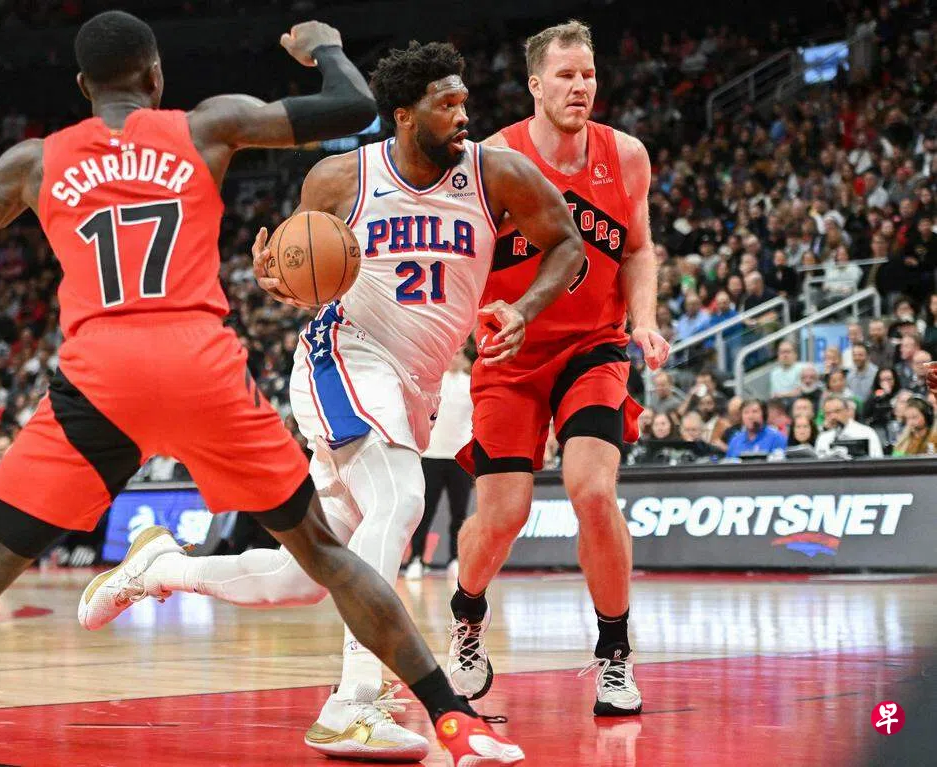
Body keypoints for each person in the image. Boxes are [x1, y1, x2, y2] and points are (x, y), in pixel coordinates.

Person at [0, 14, 522, 767]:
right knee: (328, 556)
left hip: (97, 384)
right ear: (156, 76)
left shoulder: (31, 163)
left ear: (83, 86)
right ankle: (453, 719)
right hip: (202, 374)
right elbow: (353, 108)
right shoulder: (207, 127)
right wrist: (325, 48)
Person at [78, 38, 585, 761]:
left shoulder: (496, 172)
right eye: (447, 104)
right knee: (401, 499)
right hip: (344, 357)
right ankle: (354, 702)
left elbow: (566, 245)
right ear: (404, 115)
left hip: (412, 388)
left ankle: (157, 568)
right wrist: (278, 279)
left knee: (300, 577)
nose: (463, 115)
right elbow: (301, 272)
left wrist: (525, 308)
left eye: (464, 101)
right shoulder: (342, 176)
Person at [450, 20, 670, 716]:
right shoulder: (491, 159)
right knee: (502, 515)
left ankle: (614, 652)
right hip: (511, 353)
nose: (580, 87)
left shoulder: (625, 155)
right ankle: (467, 614)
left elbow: (638, 249)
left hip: (593, 347)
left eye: (589, 75)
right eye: (566, 75)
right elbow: (459, 259)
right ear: (535, 85)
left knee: (593, 491)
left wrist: (644, 321)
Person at [406, 349, 475, 581]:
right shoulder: (433, 383)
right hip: (432, 456)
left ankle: (455, 559)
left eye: (459, 353)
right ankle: (416, 559)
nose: (455, 357)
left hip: (459, 459)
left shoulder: (470, 384)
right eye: (452, 353)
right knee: (425, 512)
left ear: (463, 356)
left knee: (459, 514)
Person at [815, 395, 884, 457]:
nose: (833, 416)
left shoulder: (866, 432)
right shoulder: (822, 437)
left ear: (847, 411)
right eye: (828, 413)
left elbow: (877, 460)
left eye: (837, 411)